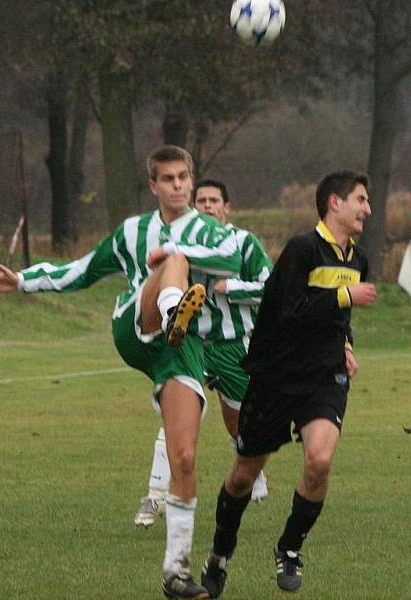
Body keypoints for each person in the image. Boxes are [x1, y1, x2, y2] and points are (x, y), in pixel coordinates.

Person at [0, 145, 241, 599]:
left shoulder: (214, 233)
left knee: (185, 458)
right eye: (168, 179)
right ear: (153, 185)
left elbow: (236, 269)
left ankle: (176, 571)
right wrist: (22, 280)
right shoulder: (133, 231)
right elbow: (80, 271)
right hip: (137, 327)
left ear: (192, 182)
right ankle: (173, 306)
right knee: (173, 259)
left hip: (182, 349)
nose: (177, 185)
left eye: (183, 178)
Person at [199, 170, 377, 597]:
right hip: (276, 376)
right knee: (244, 476)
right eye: (361, 199)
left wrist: (347, 343)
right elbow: (286, 311)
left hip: (324, 376)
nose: (367, 209)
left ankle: (290, 548)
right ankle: (220, 553)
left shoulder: (357, 259)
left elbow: (339, 319)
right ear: (335, 202)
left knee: (319, 461)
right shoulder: (301, 249)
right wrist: (342, 297)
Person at [134, 179, 273, 529]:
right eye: (202, 201)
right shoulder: (178, 247)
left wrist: (234, 288)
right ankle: (154, 496)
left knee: (240, 421)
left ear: (227, 207)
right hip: (191, 341)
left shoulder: (243, 242)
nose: (208, 206)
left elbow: (272, 288)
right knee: (176, 419)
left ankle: (250, 466)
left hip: (233, 344)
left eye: (215, 200)